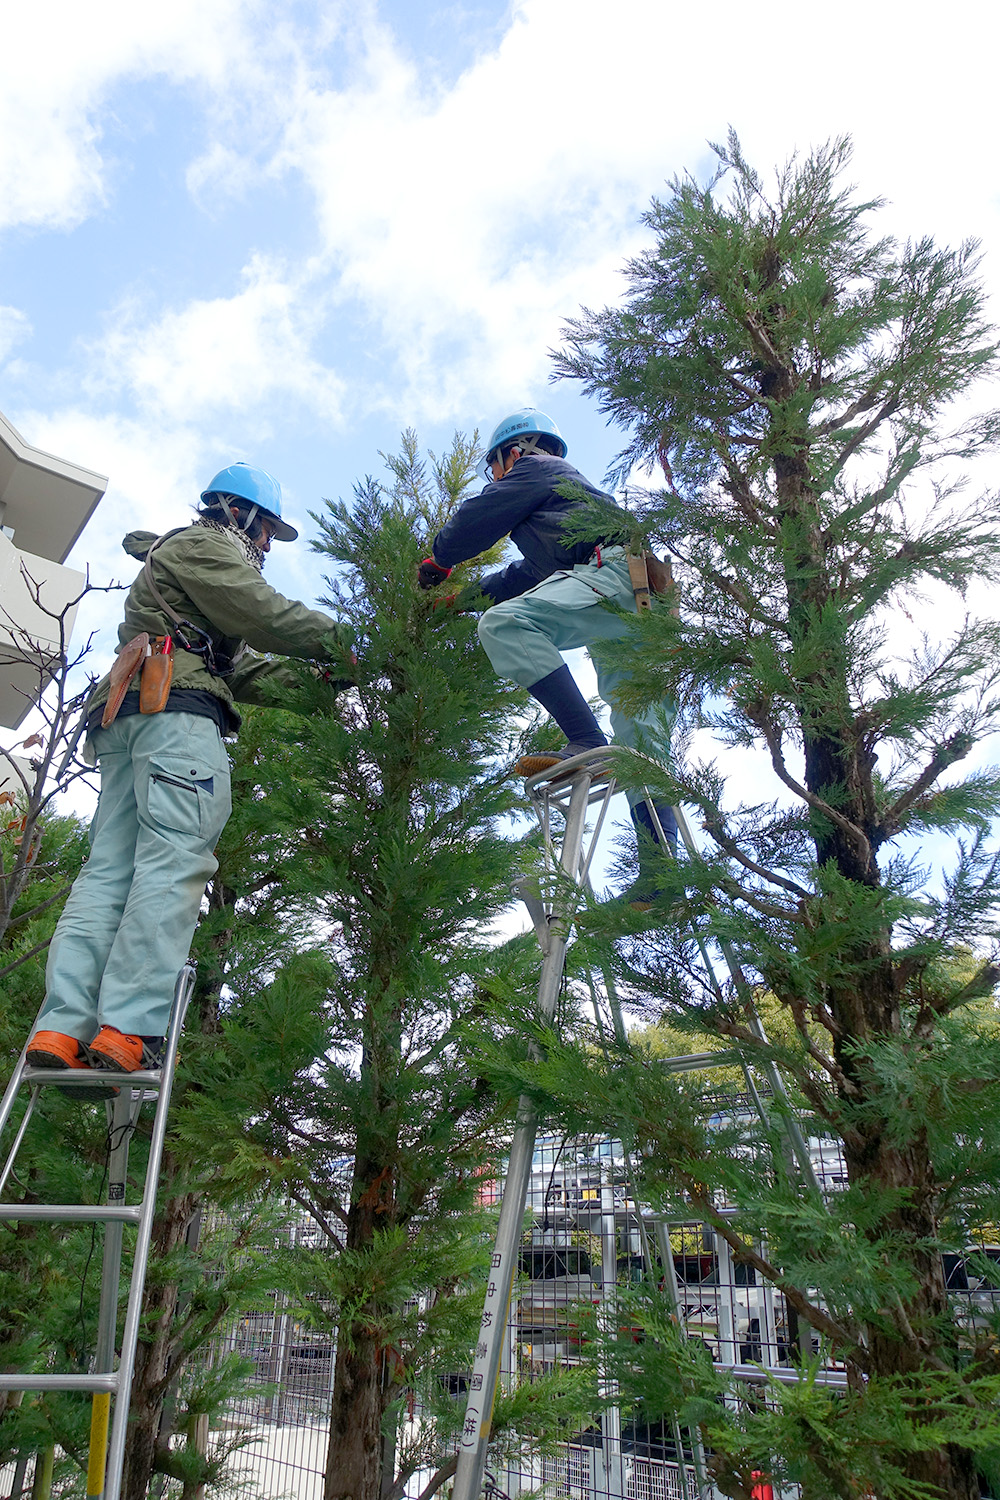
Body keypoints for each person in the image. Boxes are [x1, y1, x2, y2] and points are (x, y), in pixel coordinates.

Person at [27, 462, 353, 1078]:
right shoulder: (206, 544)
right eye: (266, 533)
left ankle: (61, 1028)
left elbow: (243, 667)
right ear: (240, 513)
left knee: (108, 875)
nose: (265, 547)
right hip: (175, 724)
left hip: (130, 722)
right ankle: (127, 1026)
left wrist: (324, 685)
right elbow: (264, 614)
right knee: (172, 863)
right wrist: (352, 643)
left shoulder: (185, 572)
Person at [416, 408, 676, 906]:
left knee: (508, 624)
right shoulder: (560, 513)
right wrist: (459, 601)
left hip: (615, 576)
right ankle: (662, 873)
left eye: (495, 469)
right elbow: (518, 579)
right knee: (643, 738)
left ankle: (583, 738)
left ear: (513, 451)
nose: (497, 479)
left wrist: (439, 560)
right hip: (644, 596)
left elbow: (473, 523)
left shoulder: (534, 468)